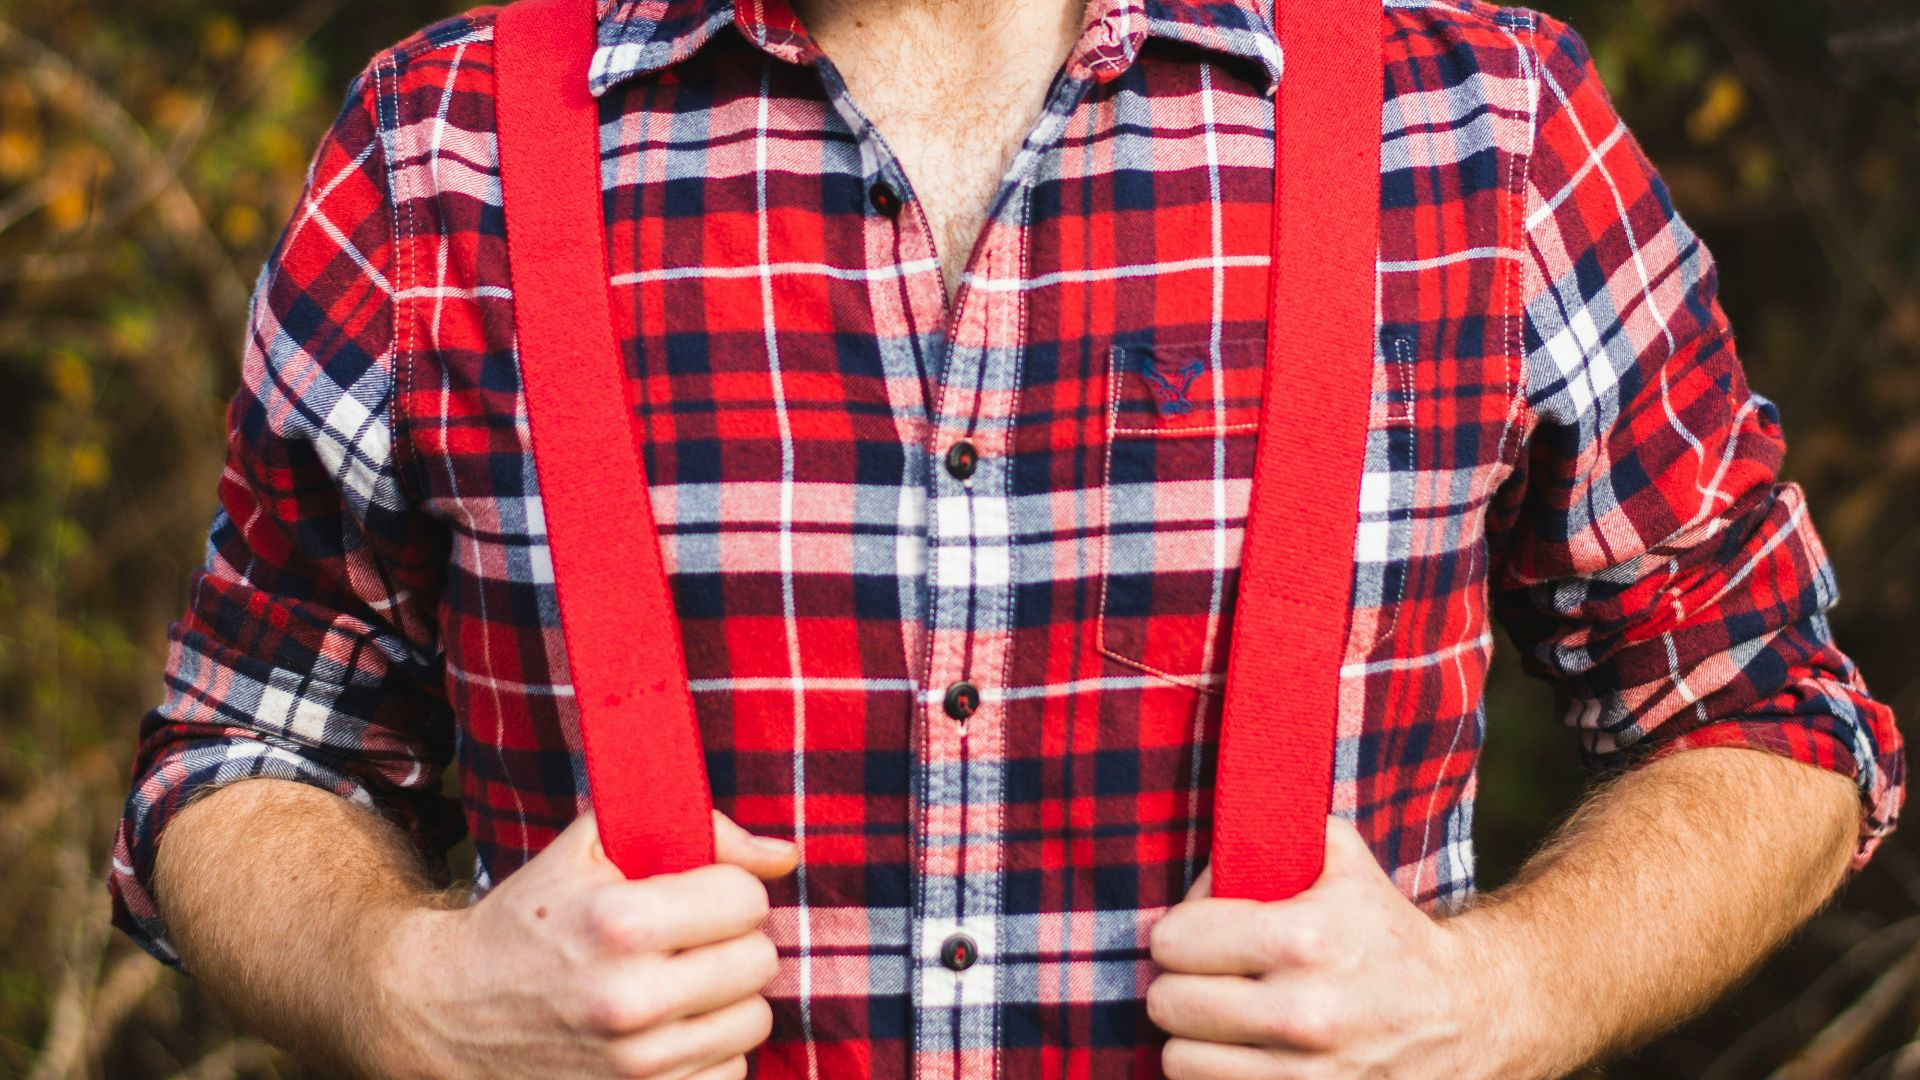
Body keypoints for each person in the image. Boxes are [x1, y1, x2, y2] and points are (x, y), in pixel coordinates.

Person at [109, 0, 1904, 1076]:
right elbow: (236, 754)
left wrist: (1505, 999)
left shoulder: (1479, 123)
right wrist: (407, 990)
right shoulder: (446, 146)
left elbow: (1769, 710)